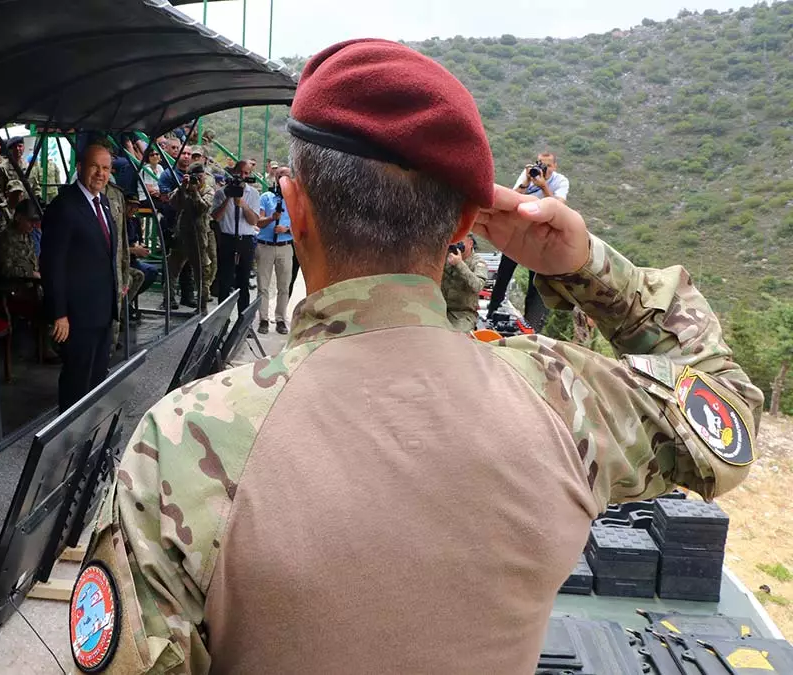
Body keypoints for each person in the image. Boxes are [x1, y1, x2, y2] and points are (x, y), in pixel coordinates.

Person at [71, 39, 763, 675]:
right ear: (464, 223)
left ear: (296, 207)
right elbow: (727, 405)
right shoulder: (561, 397)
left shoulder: (183, 440)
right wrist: (587, 267)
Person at [40, 143, 118, 410]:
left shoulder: (104, 202)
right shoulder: (64, 207)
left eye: (106, 168)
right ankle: (68, 442)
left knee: (96, 380)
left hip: (102, 312)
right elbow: (52, 264)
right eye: (95, 166)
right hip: (76, 315)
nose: (100, 173)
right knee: (76, 383)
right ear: (80, 167)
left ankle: (89, 439)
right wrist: (59, 313)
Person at [487, 151, 572, 328]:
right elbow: (512, 196)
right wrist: (526, 181)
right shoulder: (529, 173)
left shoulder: (560, 181)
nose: (542, 167)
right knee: (503, 274)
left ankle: (531, 324)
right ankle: (491, 312)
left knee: (535, 283)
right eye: (540, 163)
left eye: (547, 165)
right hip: (519, 232)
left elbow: (559, 207)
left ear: (554, 166)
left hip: (540, 237)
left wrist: (543, 186)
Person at [163, 164, 216, 313]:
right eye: (194, 176)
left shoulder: (208, 190)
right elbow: (172, 202)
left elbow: (202, 208)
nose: (197, 180)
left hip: (199, 237)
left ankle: (202, 306)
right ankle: (168, 300)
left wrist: (195, 192)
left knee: (202, 273)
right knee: (172, 269)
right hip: (181, 234)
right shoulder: (183, 187)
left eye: (199, 176)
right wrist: (183, 187)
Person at [211, 159, 261, 314]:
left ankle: (242, 320)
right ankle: (222, 321)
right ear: (234, 173)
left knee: (243, 282)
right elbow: (216, 217)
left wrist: (242, 203)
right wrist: (229, 198)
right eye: (240, 172)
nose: (242, 176)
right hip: (227, 238)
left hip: (245, 240)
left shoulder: (253, 193)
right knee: (225, 282)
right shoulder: (221, 192)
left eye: (246, 173)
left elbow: (253, 220)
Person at [255, 166, 295, 334]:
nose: (281, 178)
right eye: (279, 175)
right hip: (265, 245)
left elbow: (301, 228)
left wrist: (286, 229)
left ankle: (280, 319)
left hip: (285, 246)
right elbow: (258, 221)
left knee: (284, 286)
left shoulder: (295, 200)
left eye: (285, 175)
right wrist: (272, 218)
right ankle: (263, 319)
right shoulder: (266, 197)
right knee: (263, 285)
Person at [441, 233, 488, 331]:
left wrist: (459, 264)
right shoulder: (446, 256)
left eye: (460, 242)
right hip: (440, 309)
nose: (456, 246)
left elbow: (477, 286)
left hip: (463, 313)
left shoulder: (478, 263)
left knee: (458, 337)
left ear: (470, 243)